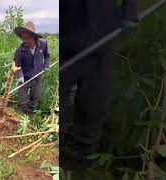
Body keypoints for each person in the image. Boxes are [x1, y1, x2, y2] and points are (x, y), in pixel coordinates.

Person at [61, 0, 139, 169]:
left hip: (102, 32)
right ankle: (53, 146)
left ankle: (83, 155)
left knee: (95, 100)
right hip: (65, 31)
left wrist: (130, 8)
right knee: (57, 98)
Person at [13, 21, 51, 114]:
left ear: (33, 37)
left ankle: (32, 112)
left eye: (27, 38)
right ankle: (23, 113)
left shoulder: (43, 44)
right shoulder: (19, 51)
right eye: (23, 38)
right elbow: (18, 66)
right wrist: (20, 77)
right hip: (25, 78)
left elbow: (48, 55)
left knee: (35, 96)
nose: (25, 40)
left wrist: (46, 66)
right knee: (22, 99)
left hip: (37, 75)